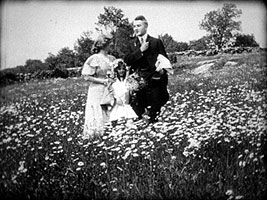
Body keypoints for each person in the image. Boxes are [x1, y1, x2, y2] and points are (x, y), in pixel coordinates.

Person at [124, 15, 170, 123]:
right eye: (134, 26)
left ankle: (154, 130)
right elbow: (127, 60)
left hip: (154, 81)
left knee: (155, 109)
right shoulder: (131, 44)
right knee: (139, 109)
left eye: (139, 26)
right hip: (138, 82)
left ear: (146, 26)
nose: (136, 28)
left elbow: (165, 61)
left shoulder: (155, 42)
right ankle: (142, 134)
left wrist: (162, 71)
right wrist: (140, 50)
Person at [81, 34, 116, 139]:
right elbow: (87, 76)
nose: (112, 45)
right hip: (97, 89)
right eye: (110, 43)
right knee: (98, 109)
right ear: (103, 44)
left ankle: (110, 134)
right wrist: (103, 81)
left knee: (111, 108)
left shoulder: (112, 58)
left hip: (110, 88)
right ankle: (96, 135)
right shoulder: (94, 58)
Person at [109, 59, 138, 125]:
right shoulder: (114, 83)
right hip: (117, 106)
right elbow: (111, 96)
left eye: (123, 69)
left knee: (129, 122)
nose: (121, 71)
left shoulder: (128, 82)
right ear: (116, 70)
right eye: (119, 69)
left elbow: (130, 94)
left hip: (126, 105)